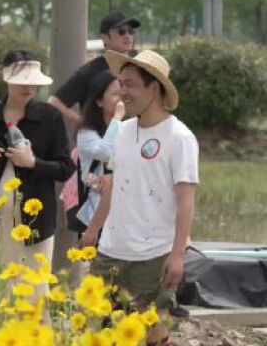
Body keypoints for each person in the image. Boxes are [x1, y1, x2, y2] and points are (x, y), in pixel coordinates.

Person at [81, 50, 198, 346]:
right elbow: (115, 184)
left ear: (154, 88)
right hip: (111, 251)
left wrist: (176, 255)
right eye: (120, 83)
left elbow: (186, 200)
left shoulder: (180, 137)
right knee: (95, 330)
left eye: (130, 84)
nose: (122, 92)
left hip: (154, 255)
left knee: (154, 335)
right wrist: (93, 230)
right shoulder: (121, 131)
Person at [0, 50, 75, 295]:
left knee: (35, 288)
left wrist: (33, 162)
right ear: (5, 79)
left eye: (33, 82)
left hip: (35, 219)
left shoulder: (50, 117)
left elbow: (66, 167)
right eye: (21, 82)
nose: (29, 88)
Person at [48, 11, 140, 126]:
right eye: (121, 32)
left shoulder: (139, 68)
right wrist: (83, 124)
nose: (128, 36)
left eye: (131, 32)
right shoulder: (90, 70)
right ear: (105, 38)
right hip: (99, 139)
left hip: (132, 136)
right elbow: (55, 102)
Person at [74, 70, 125, 229]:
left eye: (122, 94)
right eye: (115, 94)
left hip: (124, 211)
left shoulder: (128, 128)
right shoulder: (86, 133)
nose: (120, 100)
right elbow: (105, 153)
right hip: (96, 214)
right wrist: (116, 119)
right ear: (99, 101)